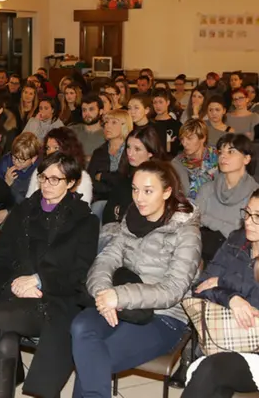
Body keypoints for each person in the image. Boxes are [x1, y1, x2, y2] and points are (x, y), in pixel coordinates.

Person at [0, 152, 99, 398]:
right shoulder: (24, 210)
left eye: (56, 179)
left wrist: (39, 281)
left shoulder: (84, 220)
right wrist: (14, 283)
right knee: (3, 341)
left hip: (54, 300)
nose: (46, 184)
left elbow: (79, 273)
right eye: (43, 177)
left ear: (71, 183)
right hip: (14, 293)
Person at [71, 161, 201, 398]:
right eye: (135, 189)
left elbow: (174, 289)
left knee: (92, 358)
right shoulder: (131, 220)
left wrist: (120, 296)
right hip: (121, 305)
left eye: (148, 191)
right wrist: (103, 294)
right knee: (81, 327)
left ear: (167, 191)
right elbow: (106, 260)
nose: (139, 197)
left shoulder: (186, 231)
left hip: (164, 316)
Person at [183, 187, 259, 398]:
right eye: (248, 213)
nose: (249, 221)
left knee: (210, 371)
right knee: (214, 383)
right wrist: (231, 299)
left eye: (258, 217)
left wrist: (228, 282)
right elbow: (201, 288)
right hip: (220, 337)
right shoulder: (236, 240)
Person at [195, 133, 259, 262]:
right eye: (220, 152)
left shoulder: (257, 194)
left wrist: (208, 221)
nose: (223, 156)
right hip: (202, 253)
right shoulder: (207, 188)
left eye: (231, 152)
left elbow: (246, 233)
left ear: (246, 159)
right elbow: (194, 219)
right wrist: (226, 228)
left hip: (236, 256)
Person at [101, 125, 165, 227]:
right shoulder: (124, 176)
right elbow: (108, 214)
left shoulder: (161, 178)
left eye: (137, 149)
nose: (130, 153)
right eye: (128, 147)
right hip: (117, 233)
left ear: (150, 152)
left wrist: (119, 211)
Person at [26, 127, 94, 205]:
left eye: (56, 148)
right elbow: (28, 201)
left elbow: (83, 211)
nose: (50, 152)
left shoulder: (83, 178)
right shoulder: (39, 171)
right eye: (48, 148)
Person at [0, 132, 41, 224]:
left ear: (33, 159)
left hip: (18, 212)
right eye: (14, 157)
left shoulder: (38, 173)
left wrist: (8, 211)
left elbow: (30, 203)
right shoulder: (6, 161)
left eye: (21, 160)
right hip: (0, 204)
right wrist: (5, 183)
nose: (16, 163)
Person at [88, 109, 133, 207]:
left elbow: (129, 180)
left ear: (124, 125)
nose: (108, 126)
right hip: (101, 199)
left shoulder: (132, 151)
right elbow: (91, 181)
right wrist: (114, 184)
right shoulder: (99, 152)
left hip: (127, 200)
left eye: (114, 122)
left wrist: (103, 176)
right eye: (106, 122)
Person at [172, 119, 218, 200]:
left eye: (189, 138)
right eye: (182, 139)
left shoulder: (216, 156)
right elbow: (182, 193)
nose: (184, 143)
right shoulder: (177, 163)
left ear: (203, 138)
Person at [69, 94, 106, 162]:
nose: (87, 114)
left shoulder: (107, 134)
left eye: (91, 109)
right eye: (84, 110)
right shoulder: (72, 130)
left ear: (100, 111)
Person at [151, 88, 182, 156]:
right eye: (155, 102)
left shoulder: (177, 125)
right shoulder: (149, 124)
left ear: (168, 102)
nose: (157, 106)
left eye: (161, 102)